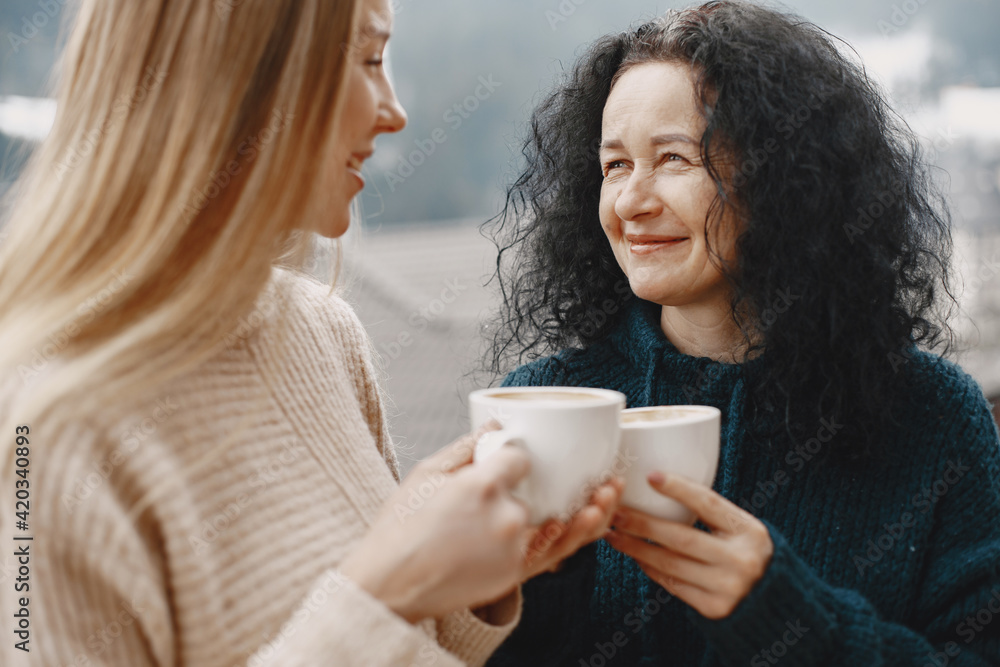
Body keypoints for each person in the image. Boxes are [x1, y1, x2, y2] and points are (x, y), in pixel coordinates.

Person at [0, 0, 623, 665]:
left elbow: (402, 640)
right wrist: (381, 592)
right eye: (369, 58)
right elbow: (370, 612)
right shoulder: (49, 429)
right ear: (237, 74)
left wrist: (464, 584)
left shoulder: (325, 334)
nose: (394, 111)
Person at [484, 2, 1000, 665]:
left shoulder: (933, 417)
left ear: (782, 175)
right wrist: (521, 589)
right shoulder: (547, 401)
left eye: (672, 158)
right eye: (614, 166)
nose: (631, 202)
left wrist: (795, 621)